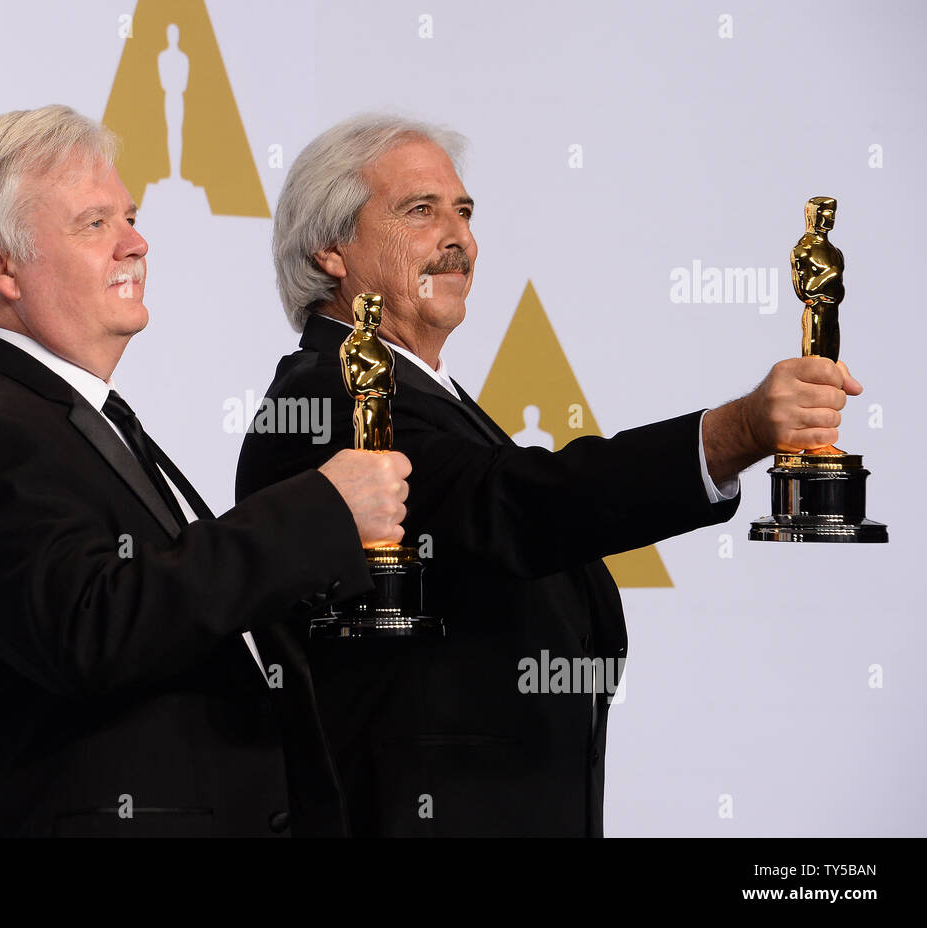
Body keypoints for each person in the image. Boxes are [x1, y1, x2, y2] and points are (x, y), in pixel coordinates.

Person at [236, 113, 862, 837]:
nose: (458, 236)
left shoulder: (429, 396)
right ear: (331, 249)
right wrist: (729, 435)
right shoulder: (327, 397)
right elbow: (512, 503)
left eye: (464, 212)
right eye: (419, 210)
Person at [0, 105, 410, 837]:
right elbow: (94, 626)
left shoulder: (64, 417)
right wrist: (321, 511)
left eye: (130, 217)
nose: (137, 244)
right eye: (95, 224)